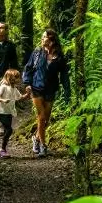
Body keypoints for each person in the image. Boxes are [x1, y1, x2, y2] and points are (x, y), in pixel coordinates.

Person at [23, 29, 70, 157]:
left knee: (46, 120)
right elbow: (28, 68)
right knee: (41, 117)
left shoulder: (59, 56)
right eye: (42, 37)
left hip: (51, 90)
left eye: (45, 37)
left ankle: (36, 139)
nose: (42, 39)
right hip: (36, 88)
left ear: (52, 40)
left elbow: (64, 75)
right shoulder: (37, 52)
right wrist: (27, 83)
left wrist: (67, 91)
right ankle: (43, 146)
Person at [0, 68, 30, 158]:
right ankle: (2, 149)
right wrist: (3, 100)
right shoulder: (3, 87)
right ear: (10, 78)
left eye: (18, 77)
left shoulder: (14, 88)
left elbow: (20, 97)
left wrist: (27, 94)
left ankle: (3, 149)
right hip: (2, 112)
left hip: (9, 112)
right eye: (16, 77)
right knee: (9, 130)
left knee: (7, 130)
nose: (18, 79)